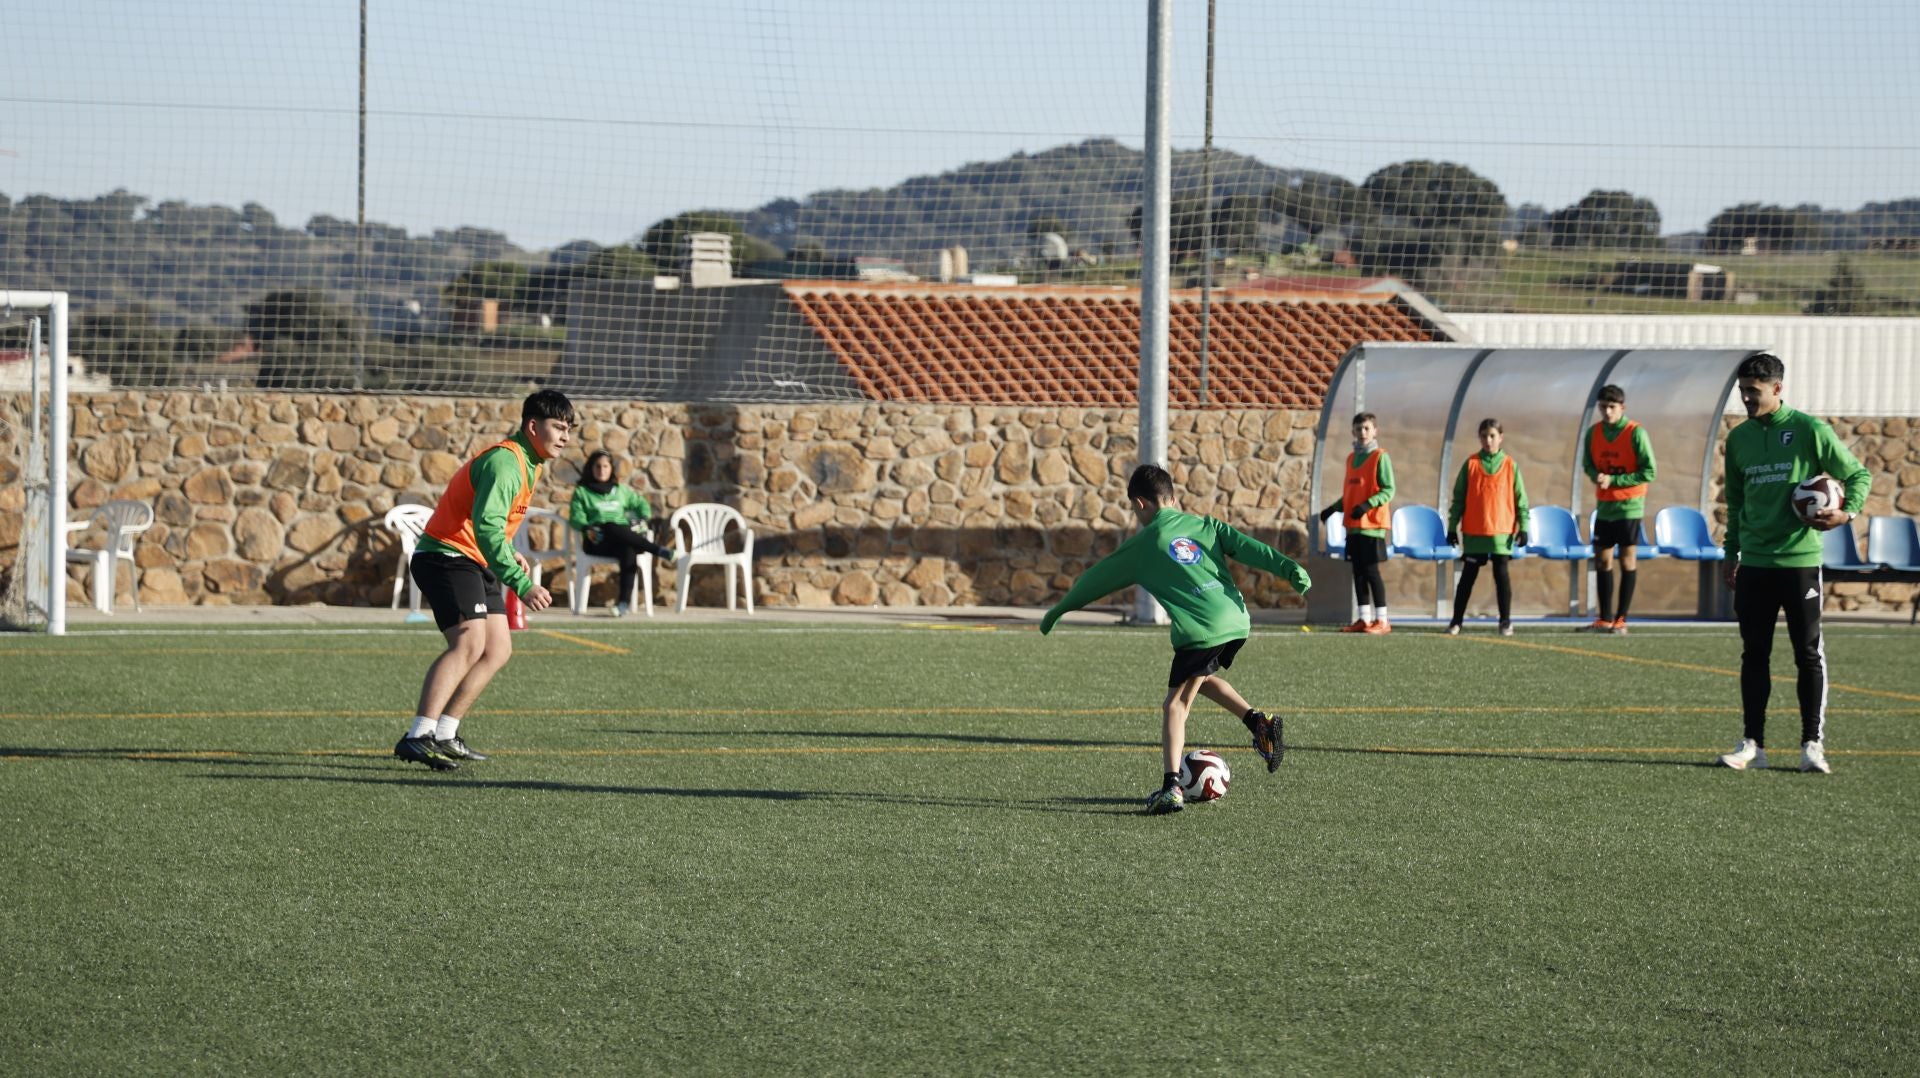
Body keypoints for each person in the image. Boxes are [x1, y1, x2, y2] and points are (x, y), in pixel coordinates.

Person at [1039, 464, 1312, 815]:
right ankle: (1259, 723)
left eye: (1134, 508)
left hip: (1201, 629)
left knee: (1175, 706)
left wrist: (1059, 609)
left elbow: (1096, 579)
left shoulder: (1144, 544)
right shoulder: (1206, 526)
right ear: (1173, 497)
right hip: (1236, 620)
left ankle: (1171, 787)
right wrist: (1290, 568)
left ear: (1140, 504)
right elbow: (1252, 549)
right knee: (1201, 679)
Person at [393, 389, 575, 771]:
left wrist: (508, 551)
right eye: (559, 427)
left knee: (497, 650)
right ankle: (418, 735)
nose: (566, 436)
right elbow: (488, 528)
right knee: (469, 643)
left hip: (473, 559)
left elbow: (489, 524)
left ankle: (445, 733)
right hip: (446, 556)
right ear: (533, 426)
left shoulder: (530, 463)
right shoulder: (506, 463)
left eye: (568, 429)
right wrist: (522, 584)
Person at [1716, 353, 1870, 775]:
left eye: (1754, 391)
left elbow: (1858, 475)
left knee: (1807, 653)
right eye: (1742, 391)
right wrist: (1731, 553)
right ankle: (1753, 745)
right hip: (1755, 563)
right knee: (1754, 654)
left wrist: (1847, 513)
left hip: (1800, 563)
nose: (1746, 398)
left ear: (1777, 388)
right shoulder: (1740, 440)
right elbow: (1736, 503)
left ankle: (1811, 745)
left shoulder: (1809, 430)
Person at [1580, 384, 1657, 634]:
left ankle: (1621, 619)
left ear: (1622, 407)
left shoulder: (1636, 433)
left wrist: (1615, 480)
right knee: (1602, 560)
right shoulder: (1593, 433)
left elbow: (1649, 471)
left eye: (1612, 407)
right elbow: (1588, 464)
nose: (1607, 412)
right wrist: (1596, 475)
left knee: (1627, 560)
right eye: (1603, 407)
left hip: (1629, 507)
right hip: (1604, 507)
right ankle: (1604, 618)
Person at [569, 449, 681, 617]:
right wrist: (586, 527)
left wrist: (642, 519)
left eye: (605, 466)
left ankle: (623, 604)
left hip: (622, 539)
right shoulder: (582, 492)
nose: (601, 470)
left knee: (628, 550)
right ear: (590, 468)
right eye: (597, 466)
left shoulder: (621, 491)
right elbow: (575, 517)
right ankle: (657, 550)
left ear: (611, 469)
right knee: (610, 525)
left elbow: (642, 505)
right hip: (597, 541)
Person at [1445, 418, 1529, 637]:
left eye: (1492, 436)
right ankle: (1456, 621)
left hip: (1501, 532)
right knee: (1467, 578)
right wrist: (1452, 527)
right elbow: (1458, 499)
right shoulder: (1471, 464)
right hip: (1475, 532)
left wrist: (1524, 527)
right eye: (1484, 436)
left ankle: (1505, 622)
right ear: (1479, 438)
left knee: (1501, 576)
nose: (1488, 440)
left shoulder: (1510, 465)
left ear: (1501, 438)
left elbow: (1520, 499)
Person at [1318, 412, 1394, 634]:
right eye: (1359, 429)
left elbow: (1389, 490)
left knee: (1371, 572)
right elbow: (1351, 494)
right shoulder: (1351, 459)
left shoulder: (1380, 457)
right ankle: (1364, 619)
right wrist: (1333, 509)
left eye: (1367, 428)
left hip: (1372, 526)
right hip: (1353, 526)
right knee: (1358, 573)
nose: (1363, 432)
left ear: (1375, 431)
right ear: (1353, 432)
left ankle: (1382, 620)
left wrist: (1367, 505)